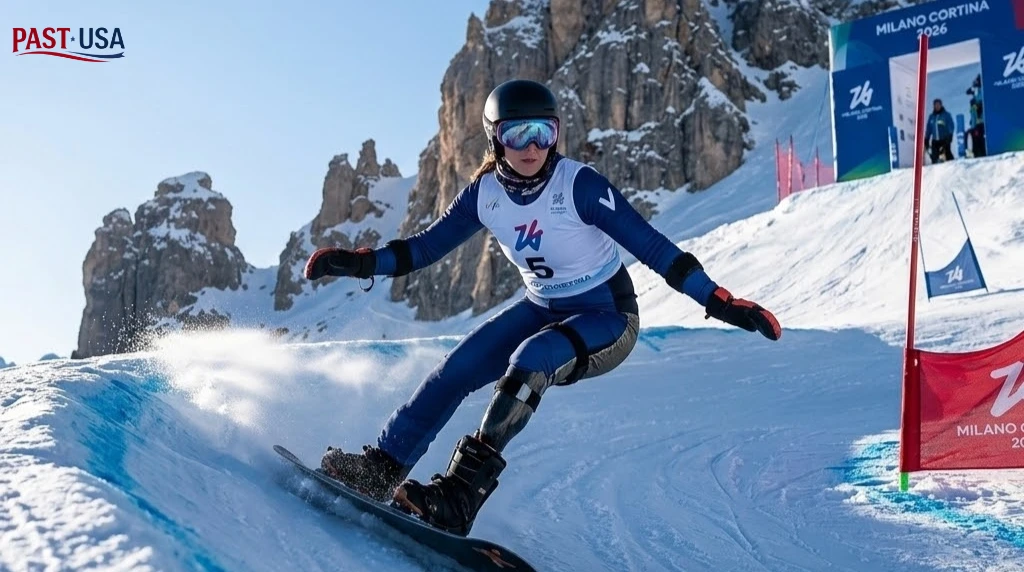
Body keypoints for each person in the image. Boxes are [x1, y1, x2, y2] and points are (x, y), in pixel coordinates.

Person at [302, 79, 782, 536]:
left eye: (543, 132)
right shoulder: (484, 194)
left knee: (531, 360)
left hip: (608, 319)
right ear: (495, 140)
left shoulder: (580, 187)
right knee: (455, 370)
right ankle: (381, 468)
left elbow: (657, 250)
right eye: (517, 133)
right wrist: (359, 262)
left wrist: (721, 302)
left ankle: (460, 496)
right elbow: (423, 250)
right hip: (540, 306)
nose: (532, 146)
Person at [925, 98, 954, 163]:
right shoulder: (931, 117)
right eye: (935, 105)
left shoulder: (946, 115)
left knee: (947, 154)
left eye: (938, 104)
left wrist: (950, 135)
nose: (937, 106)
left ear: (941, 105)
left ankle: (954, 168)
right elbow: (929, 129)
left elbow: (951, 125)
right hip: (935, 141)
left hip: (944, 140)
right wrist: (926, 139)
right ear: (934, 106)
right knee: (934, 158)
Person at [966, 75, 985, 158]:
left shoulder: (982, 92)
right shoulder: (974, 98)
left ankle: (980, 154)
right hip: (976, 124)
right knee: (972, 137)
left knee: (979, 140)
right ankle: (975, 154)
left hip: (982, 124)